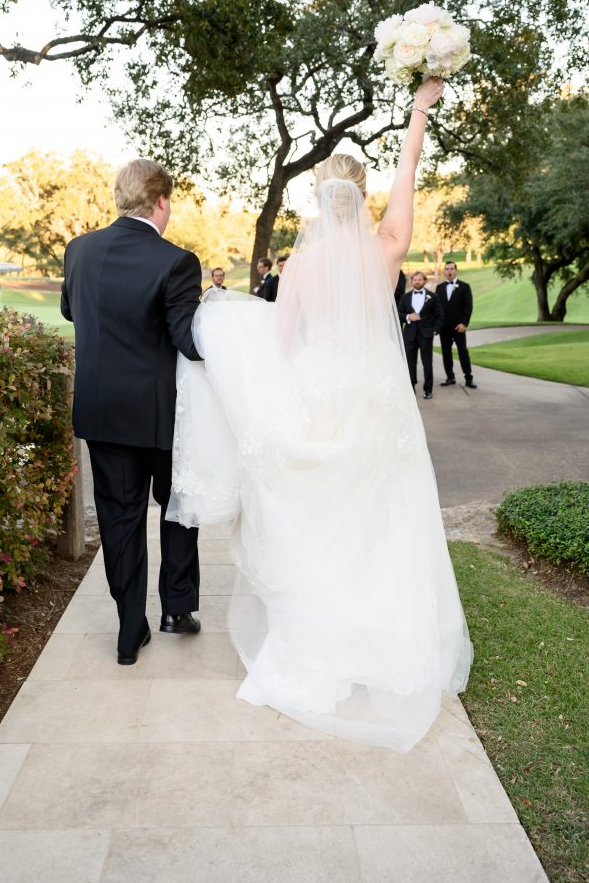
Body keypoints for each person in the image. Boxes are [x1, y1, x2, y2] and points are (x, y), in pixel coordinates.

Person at [168, 77, 472, 753]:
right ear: (359, 198)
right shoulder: (387, 246)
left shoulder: (301, 264)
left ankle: (320, 642)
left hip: (319, 396)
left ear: (316, 202)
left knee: (318, 522)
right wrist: (418, 109)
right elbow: (410, 170)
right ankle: (377, 647)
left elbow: (281, 345)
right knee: (378, 523)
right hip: (376, 399)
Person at [61, 158, 203, 666]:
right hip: (164, 416)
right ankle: (177, 610)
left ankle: (128, 631)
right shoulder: (177, 261)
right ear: (161, 201)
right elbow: (189, 342)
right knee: (178, 509)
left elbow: (70, 311)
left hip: (103, 413)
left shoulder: (78, 251)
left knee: (120, 518)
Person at [397, 271, 444, 399]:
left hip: (426, 335)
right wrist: (408, 316)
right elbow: (398, 314)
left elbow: (439, 316)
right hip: (409, 335)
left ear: (424, 281)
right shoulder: (405, 297)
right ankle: (411, 388)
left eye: (419, 279)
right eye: (415, 279)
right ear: (412, 281)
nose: (417, 281)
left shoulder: (433, 297)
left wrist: (434, 330)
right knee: (410, 363)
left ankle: (428, 390)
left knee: (427, 363)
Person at [436, 261, 477, 388]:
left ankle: (468, 378)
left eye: (451, 269)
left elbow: (468, 307)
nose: (449, 271)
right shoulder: (440, 288)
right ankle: (450, 377)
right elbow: (437, 308)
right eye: (447, 269)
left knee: (463, 352)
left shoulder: (464, 286)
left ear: (456, 270)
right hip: (444, 328)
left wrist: (464, 323)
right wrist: (437, 325)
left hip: (459, 327)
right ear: (444, 271)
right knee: (446, 352)